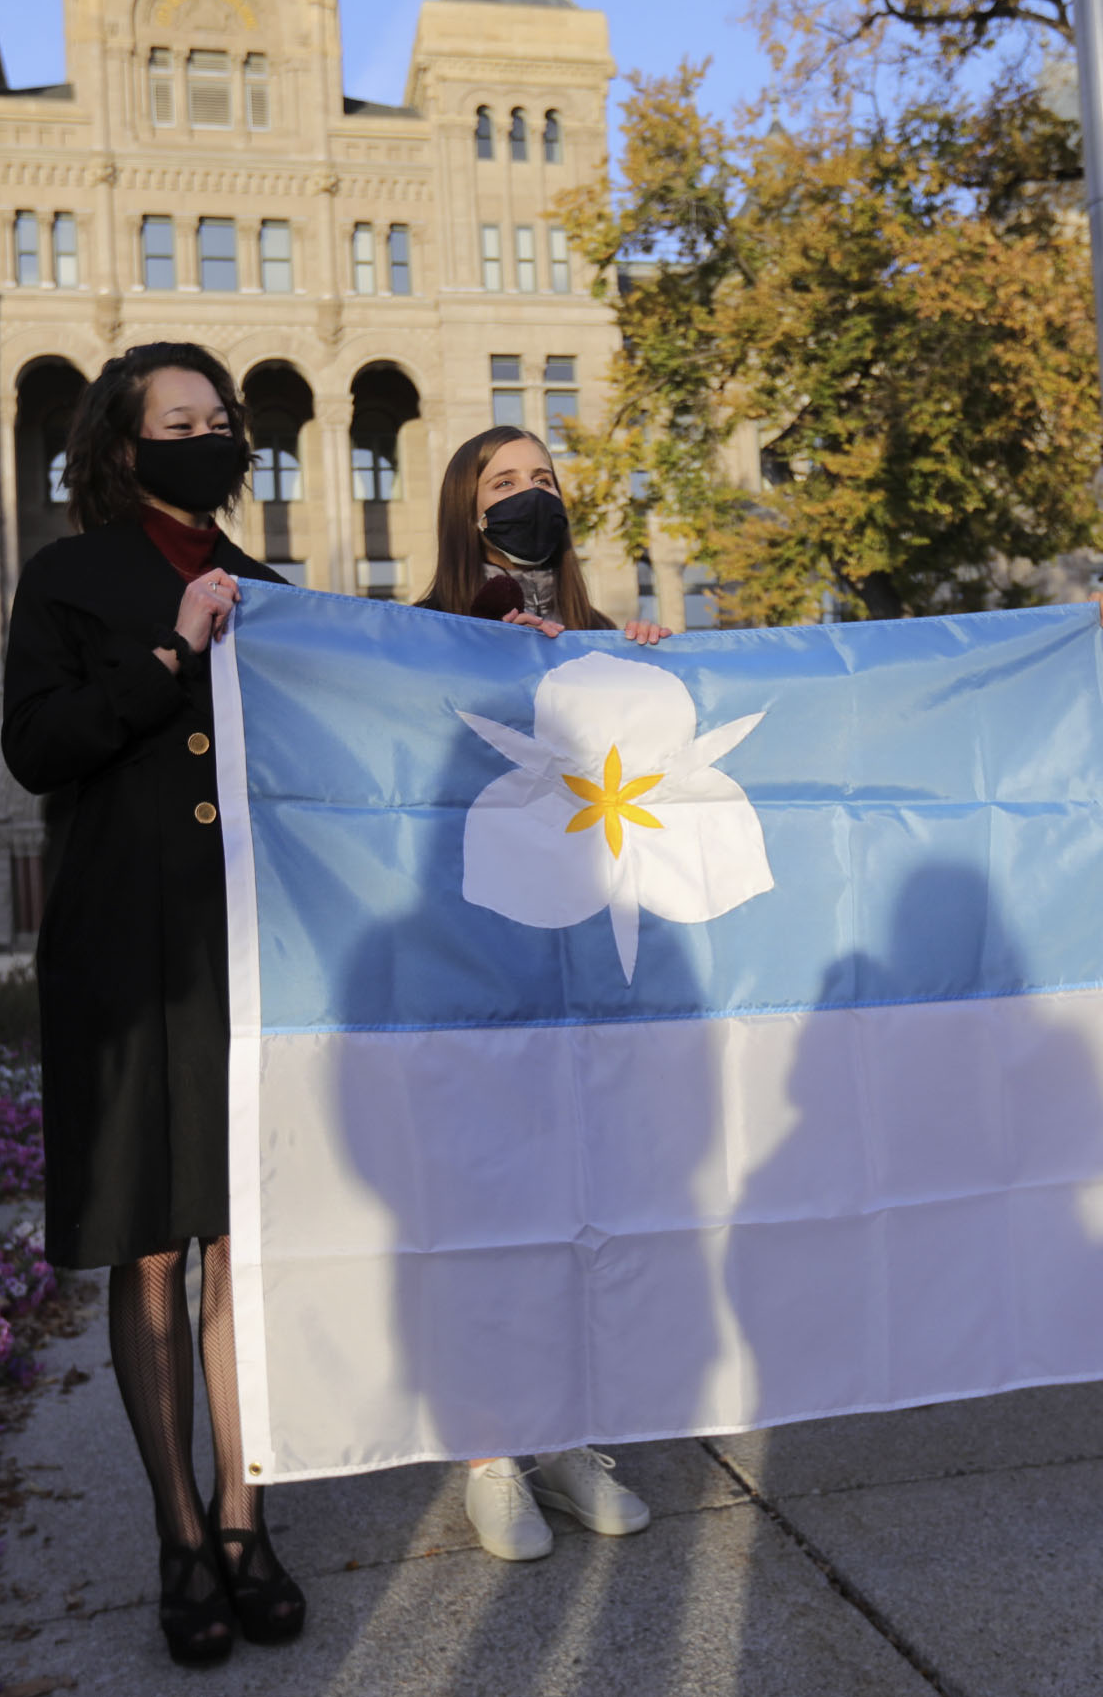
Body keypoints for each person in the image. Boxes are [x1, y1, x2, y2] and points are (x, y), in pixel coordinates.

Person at [0, 342, 307, 1666]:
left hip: (249, 955)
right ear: (123, 447)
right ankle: (178, 1533)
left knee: (243, 1245)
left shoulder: (284, 595)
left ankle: (246, 1517)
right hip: (126, 960)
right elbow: (37, 748)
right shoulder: (69, 579)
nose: (213, 432)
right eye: (182, 419)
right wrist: (170, 658)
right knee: (153, 1251)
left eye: (222, 416)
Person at [412, 424, 670, 1561]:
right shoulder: (423, 637)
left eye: (543, 481)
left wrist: (659, 673)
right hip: (480, 972)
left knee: (586, 1205)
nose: (528, 497)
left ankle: (567, 1430)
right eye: (503, 483)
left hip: (592, 973)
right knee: (490, 1203)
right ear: (466, 509)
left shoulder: (605, 639)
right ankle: (488, 1449)